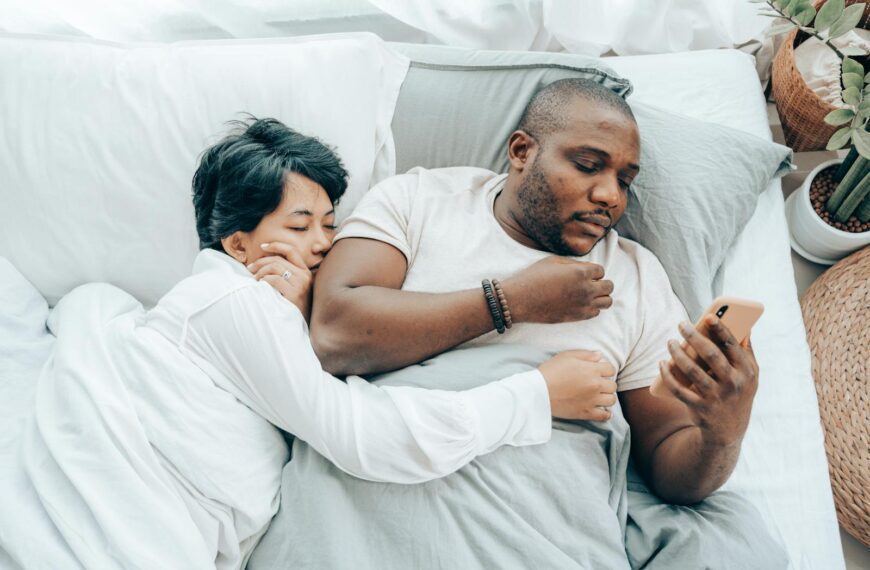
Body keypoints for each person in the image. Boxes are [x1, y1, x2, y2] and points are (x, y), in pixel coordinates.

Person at [19, 116, 630, 570]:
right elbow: (361, 438)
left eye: (330, 225)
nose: (322, 245)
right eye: (299, 226)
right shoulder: (231, 302)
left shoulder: (270, 314)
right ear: (237, 246)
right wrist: (533, 396)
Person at [296, 78, 771, 562]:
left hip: (540, 528)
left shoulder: (637, 278)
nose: (610, 195)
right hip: (384, 490)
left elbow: (671, 472)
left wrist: (724, 430)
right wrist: (509, 303)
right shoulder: (419, 199)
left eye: (625, 181)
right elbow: (333, 334)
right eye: (588, 166)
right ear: (522, 151)